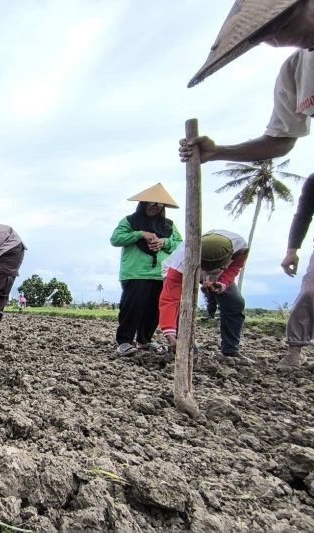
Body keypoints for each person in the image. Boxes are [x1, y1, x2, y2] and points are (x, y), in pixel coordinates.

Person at [181, 0, 314, 367]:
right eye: (263, 35)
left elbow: (235, 266)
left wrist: (224, 283)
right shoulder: (296, 70)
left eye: (278, 23)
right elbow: (281, 140)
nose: (273, 40)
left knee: (234, 304)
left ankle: (232, 346)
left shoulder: (235, 247)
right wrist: (217, 151)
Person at [110, 183, 183, 356]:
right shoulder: (130, 221)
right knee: (132, 307)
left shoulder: (169, 226)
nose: (154, 207)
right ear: (143, 204)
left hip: (161, 273)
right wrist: (140, 234)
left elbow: (181, 244)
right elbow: (116, 239)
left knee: (154, 309)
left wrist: (164, 242)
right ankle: (125, 342)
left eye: (158, 205)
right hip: (135, 272)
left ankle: (144, 340)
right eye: (150, 204)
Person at [159, 230, 250, 362]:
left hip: (218, 275)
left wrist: (221, 284)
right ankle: (182, 346)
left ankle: (231, 350)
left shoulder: (239, 246)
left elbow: (235, 267)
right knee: (183, 306)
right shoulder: (180, 262)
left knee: (235, 302)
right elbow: (170, 300)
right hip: (185, 271)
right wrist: (170, 336)